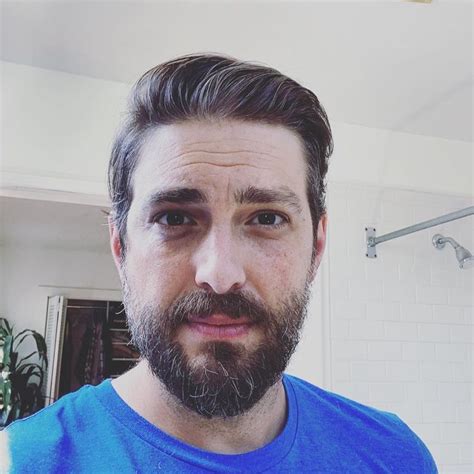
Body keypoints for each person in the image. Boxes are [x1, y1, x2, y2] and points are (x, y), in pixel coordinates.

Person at [2, 54, 437, 473]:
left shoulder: (394, 456)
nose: (221, 273)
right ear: (120, 246)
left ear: (316, 247)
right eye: (174, 218)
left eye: (267, 218)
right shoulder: (24, 462)